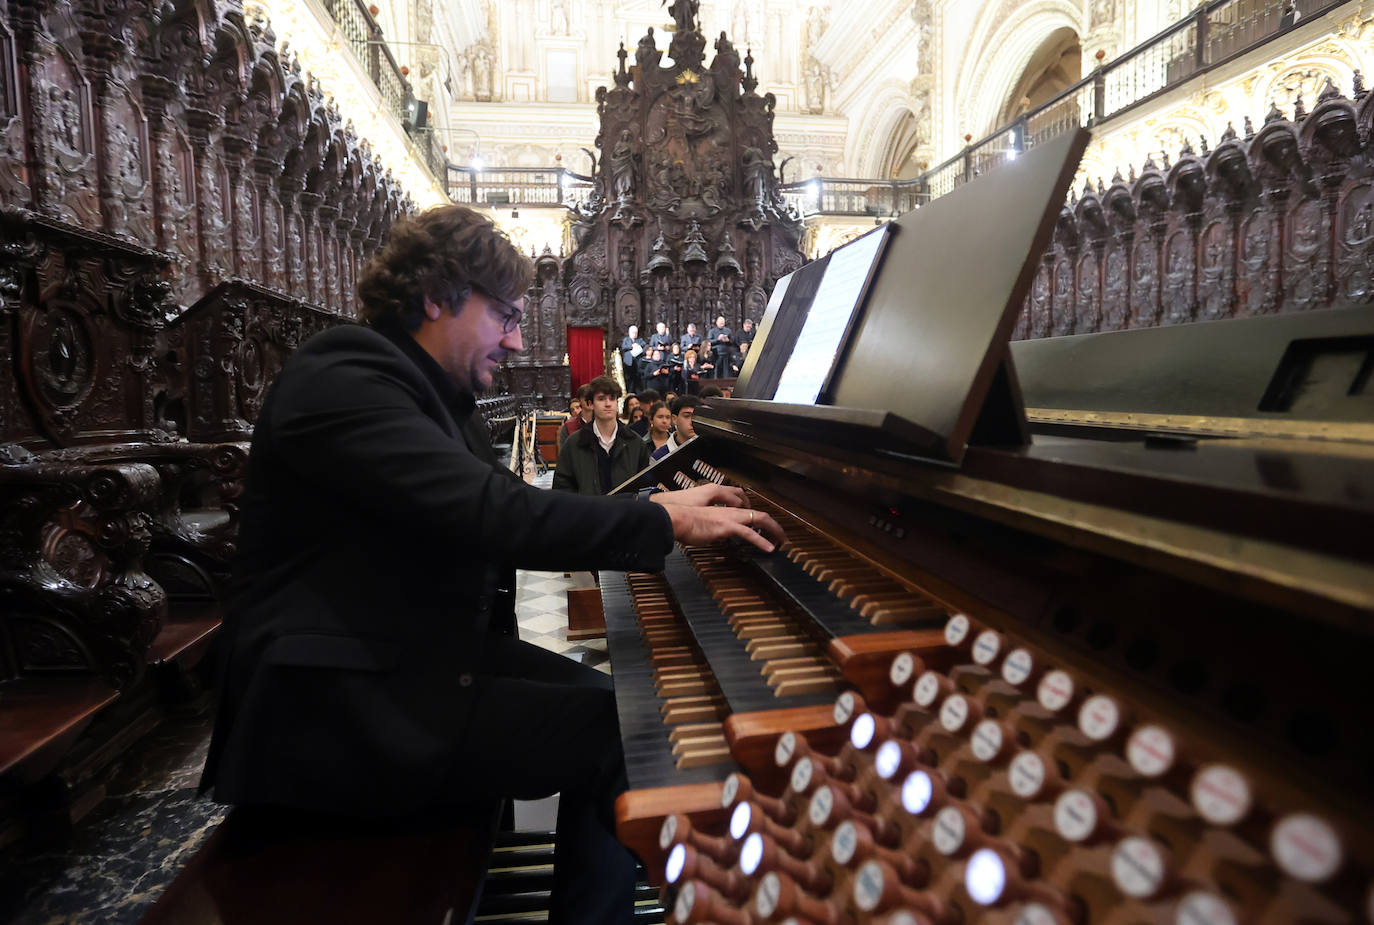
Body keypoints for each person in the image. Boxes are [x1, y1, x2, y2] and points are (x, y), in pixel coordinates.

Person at [199, 204, 783, 925]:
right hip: (336, 705)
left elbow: (504, 498)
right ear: (439, 295)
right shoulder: (342, 373)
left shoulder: (433, 393)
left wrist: (660, 498)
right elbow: (494, 513)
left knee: (632, 713)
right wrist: (668, 519)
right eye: (504, 313)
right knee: (619, 737)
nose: (514, 337)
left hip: (413, 661)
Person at [553, 375, 651, 497]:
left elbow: (645, 488)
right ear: (591, 404)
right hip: (588, 514)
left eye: (612, 398)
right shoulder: (574, 443)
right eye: (601, 399)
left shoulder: (635, 443)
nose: (608, 404)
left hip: (625, 514)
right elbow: (562, 489)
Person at [558, 383, 593, 449]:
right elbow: (564, 454)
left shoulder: (603, 424)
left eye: (591, 397)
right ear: (579, 401)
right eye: (586, 397)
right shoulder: (568, 426)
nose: (589, 401)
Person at [620, 324, 646, 392]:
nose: (634, 334)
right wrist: (632, 346)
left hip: (637, 362)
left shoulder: (640, 340)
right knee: (629, 380)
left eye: (636, 333)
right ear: (629, 333)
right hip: (628, 363)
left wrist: (638, 345)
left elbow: (644, 344)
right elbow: (623, 347)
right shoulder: (626, 340)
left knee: (638, 381)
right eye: (633, 332)